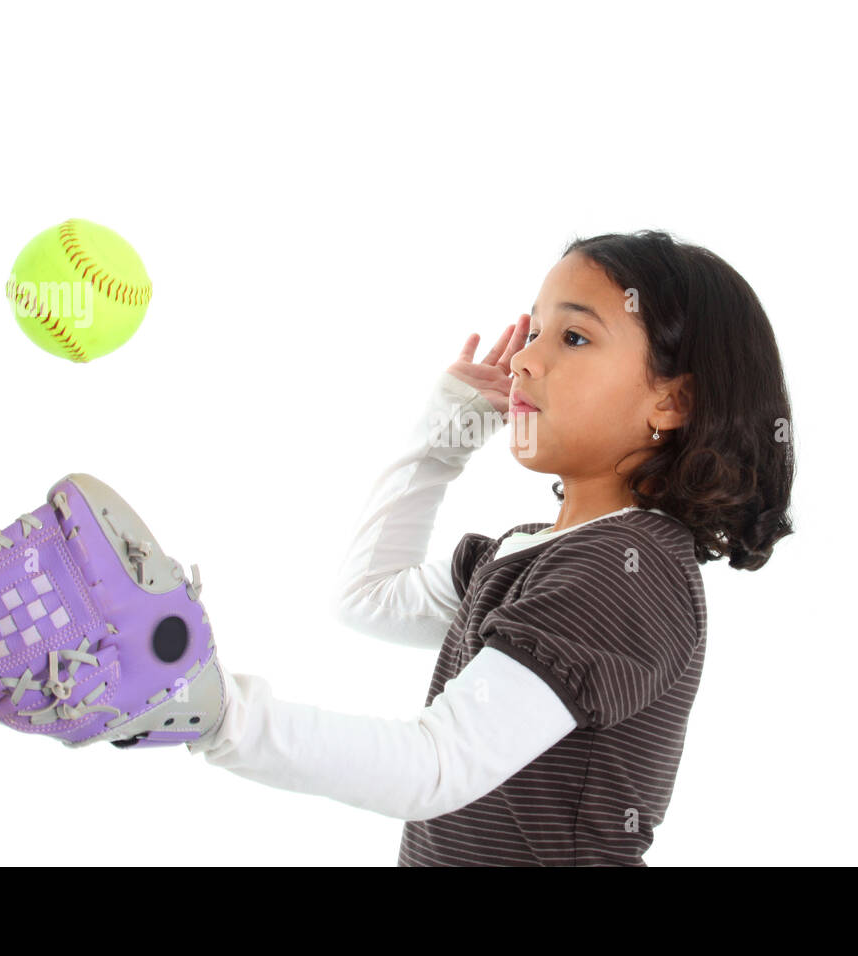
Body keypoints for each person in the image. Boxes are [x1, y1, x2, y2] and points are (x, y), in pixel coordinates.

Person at [188, 230, 796, 865]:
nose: (526, 361)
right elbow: (365, 597)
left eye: (575, 337)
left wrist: (217, 716)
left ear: (674, 400)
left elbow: (435, 766)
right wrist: (444, 436)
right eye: (534, 332)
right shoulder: (534, 553)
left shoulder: (622, 574)